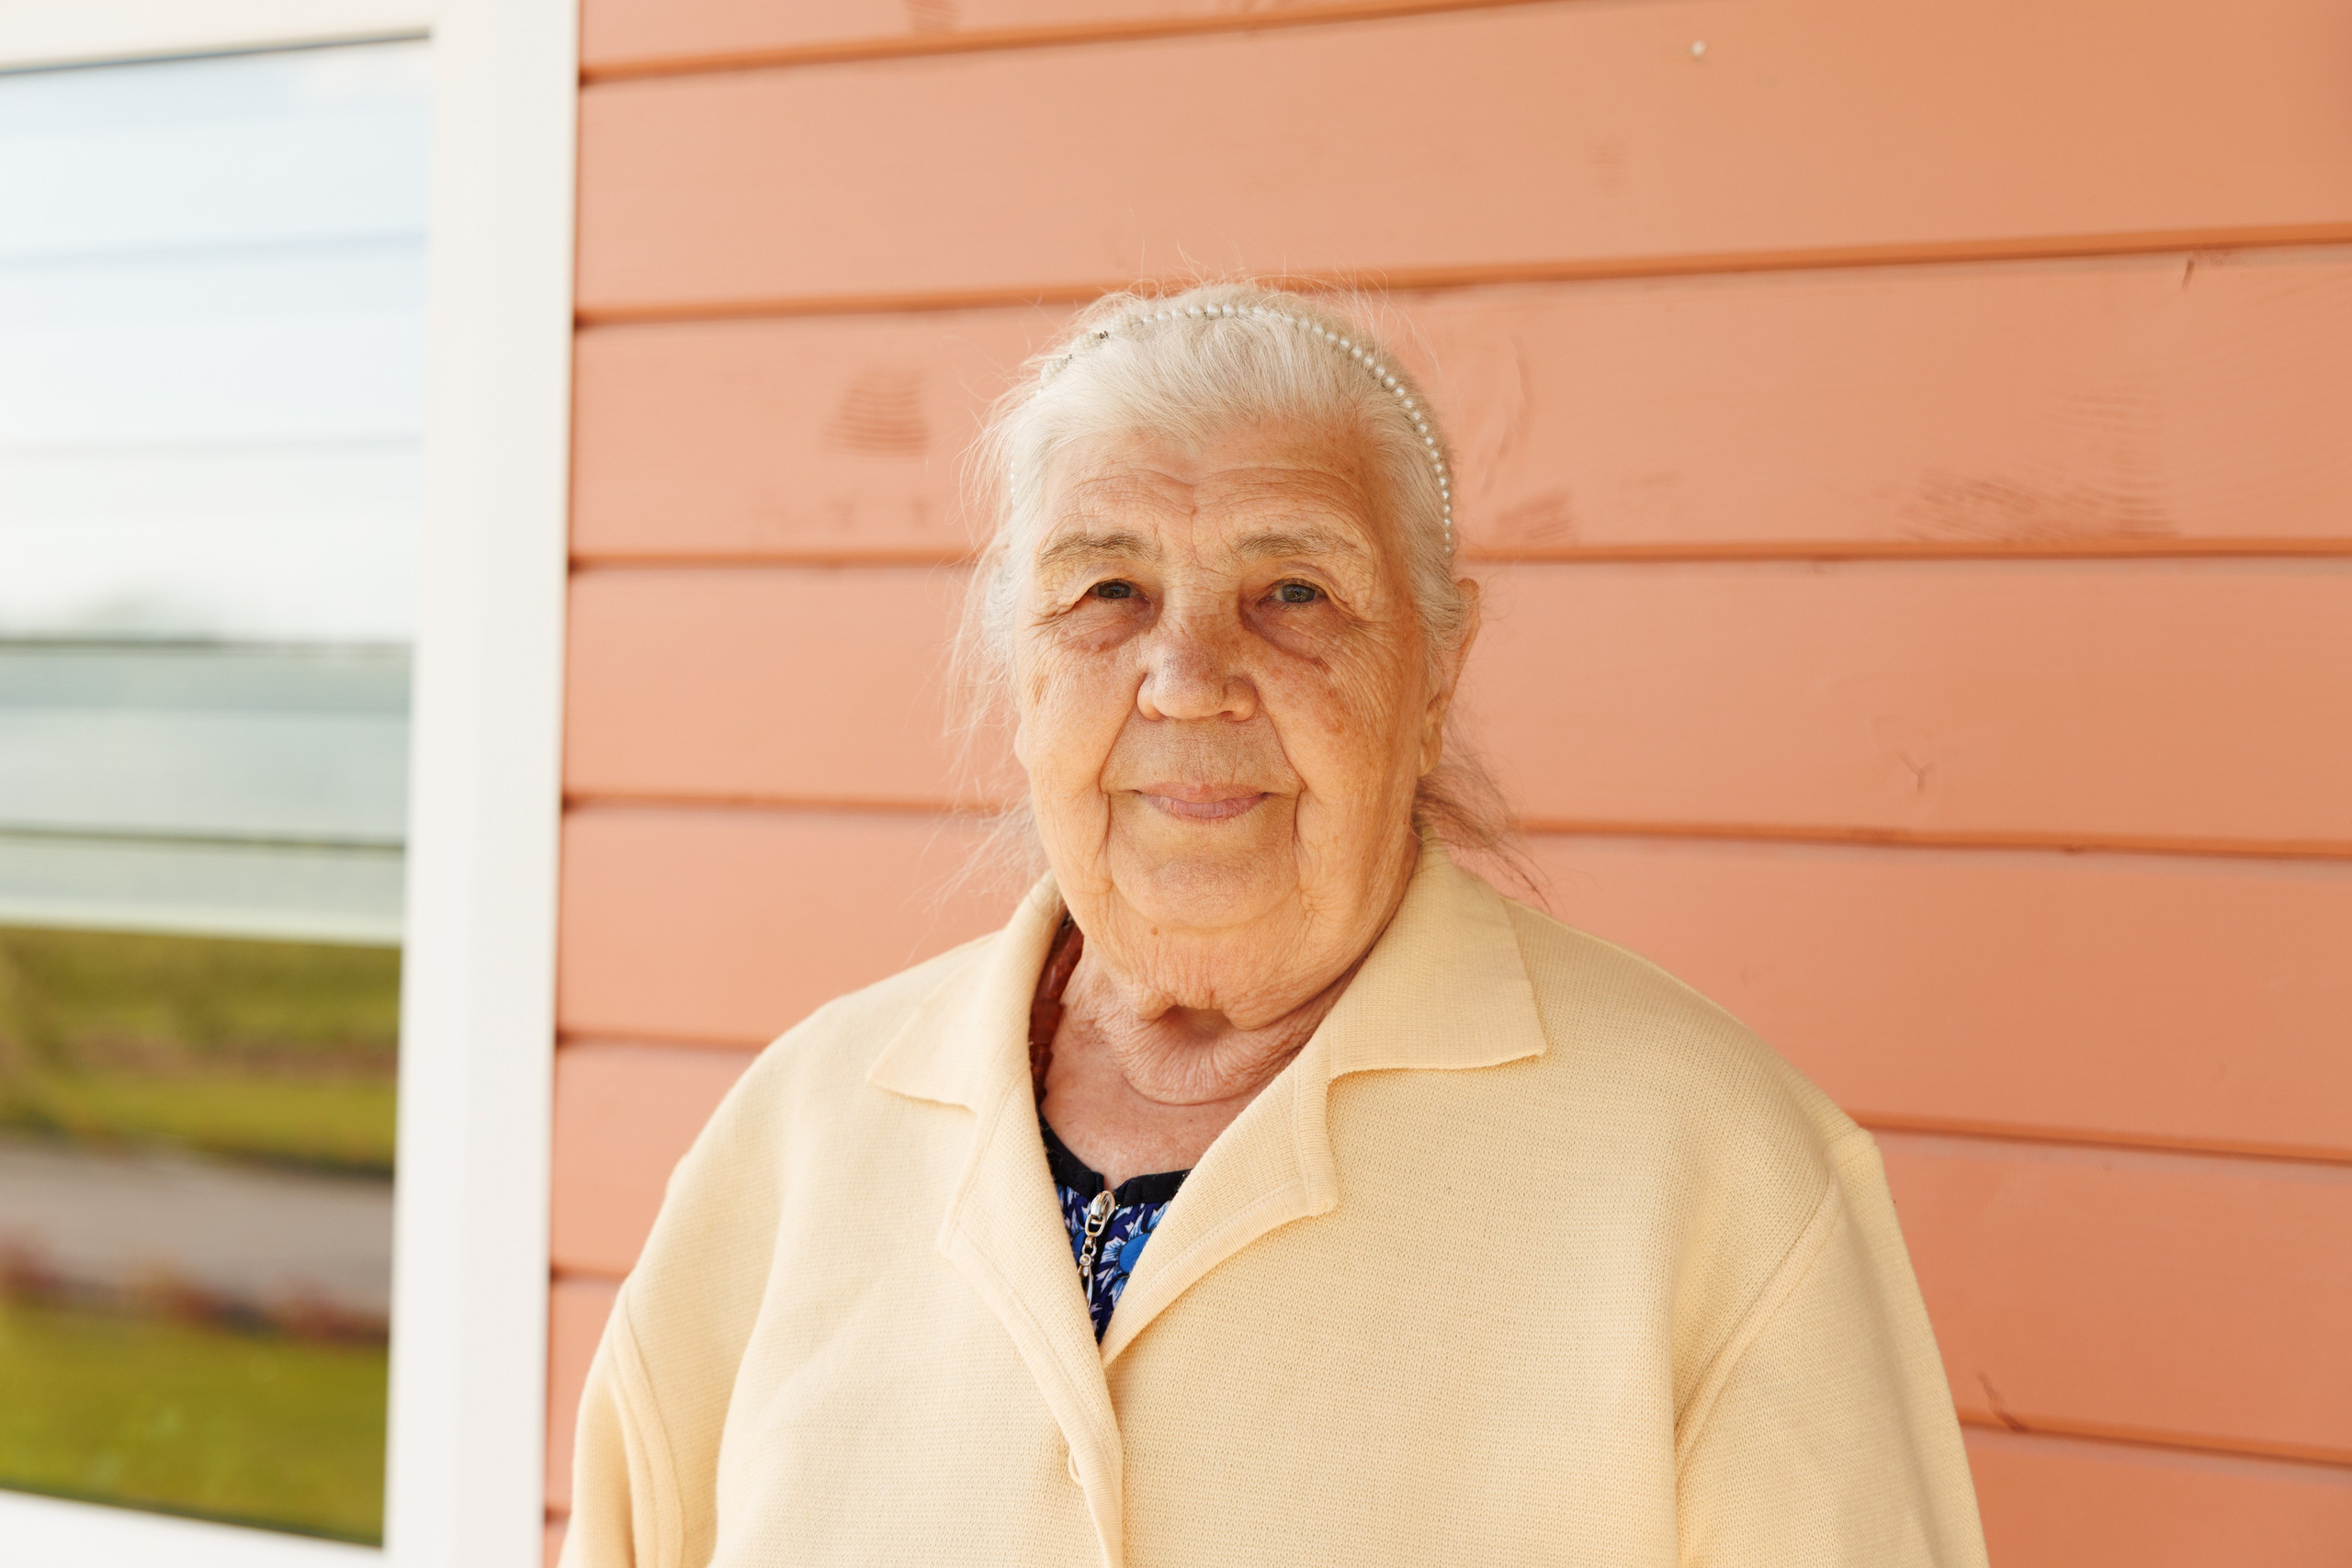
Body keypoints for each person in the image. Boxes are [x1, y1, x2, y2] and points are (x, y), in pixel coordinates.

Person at [560, 282, 1987, 1567]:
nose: (1187, 676)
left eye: (1293, 593)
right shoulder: (802, 1134)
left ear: (1435, 670)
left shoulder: (1716, 1173)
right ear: (1019, 667)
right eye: (1107, 592)